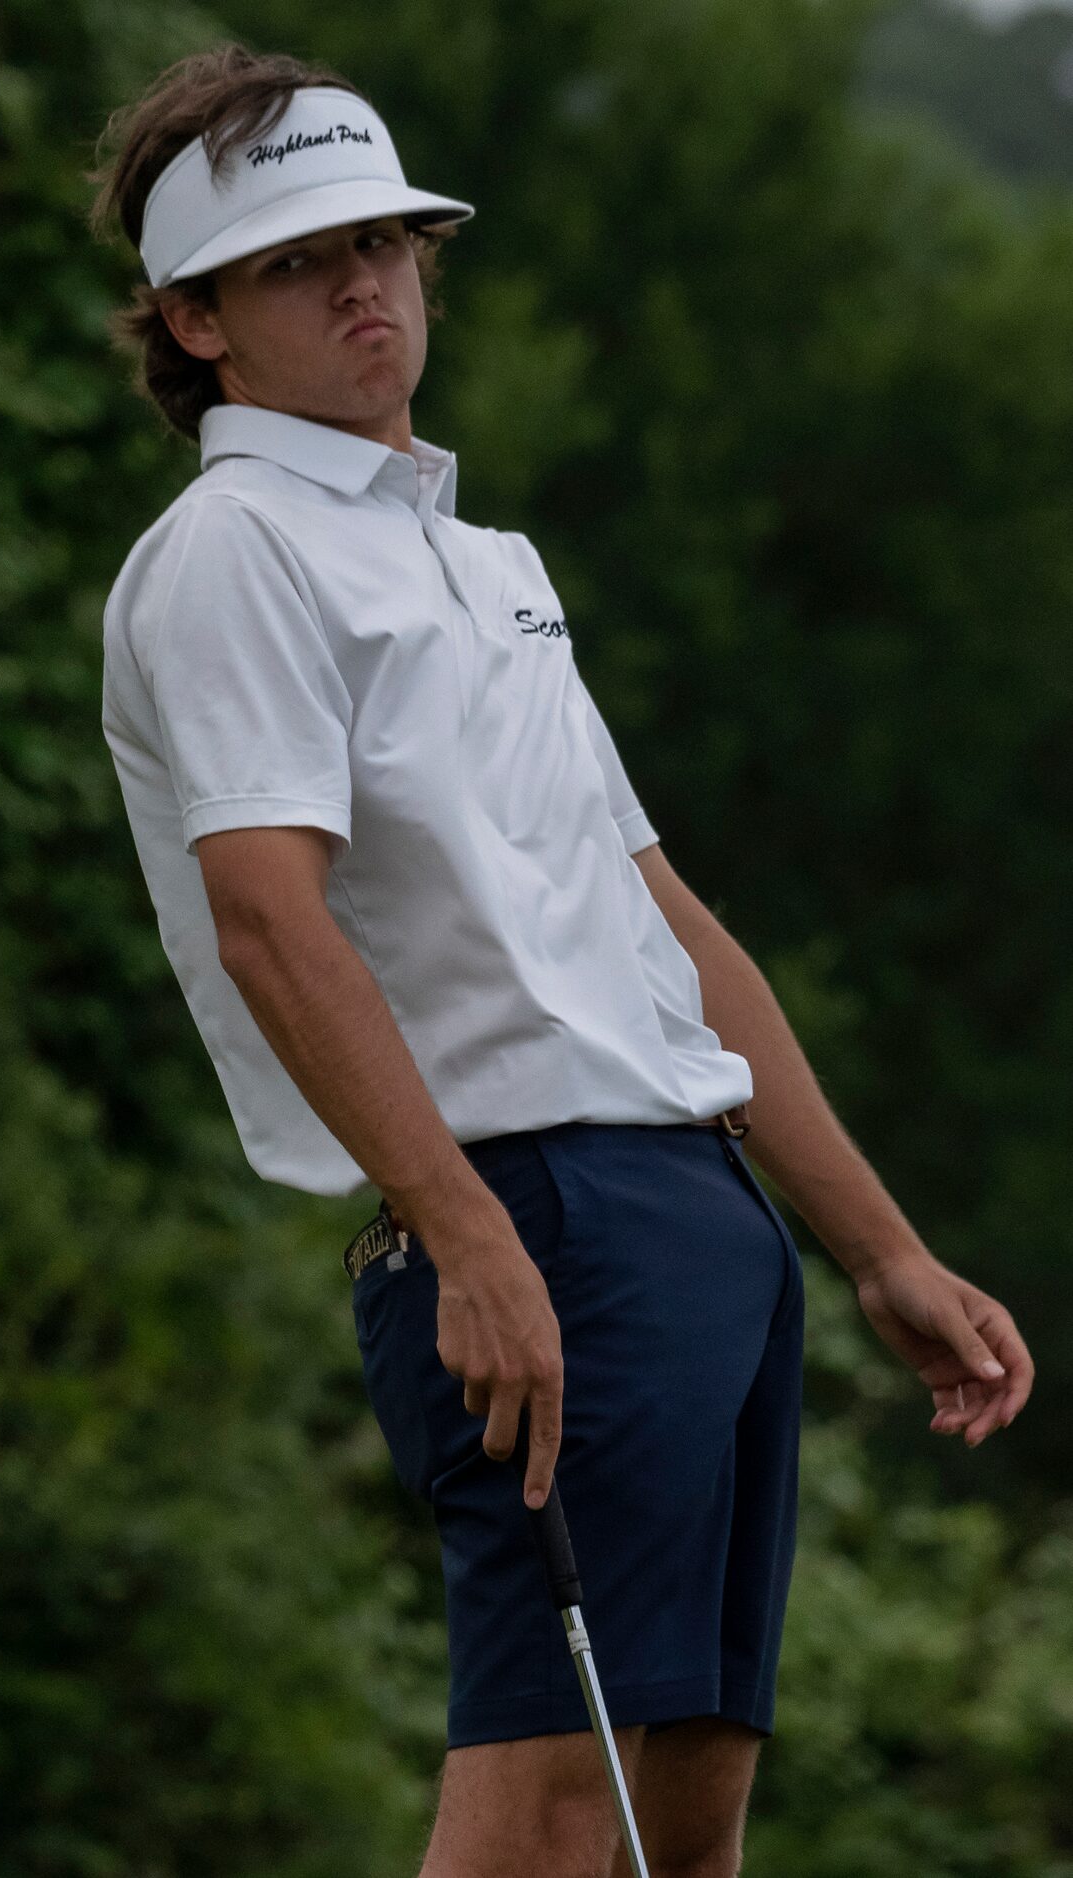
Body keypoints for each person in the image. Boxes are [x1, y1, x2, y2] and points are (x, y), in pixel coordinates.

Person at [89, 43, 1035, 1878]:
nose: (367, 284)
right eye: (301, 261)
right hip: (532, 1215)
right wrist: (462, 1230)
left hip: (688, 1221)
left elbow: (663, 927)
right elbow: (270, 922)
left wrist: (880, 1248)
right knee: (539, 1817)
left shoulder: (482, 557)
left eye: (387, 241)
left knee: (676, 1837)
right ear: (196, 317)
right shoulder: (231, 554)